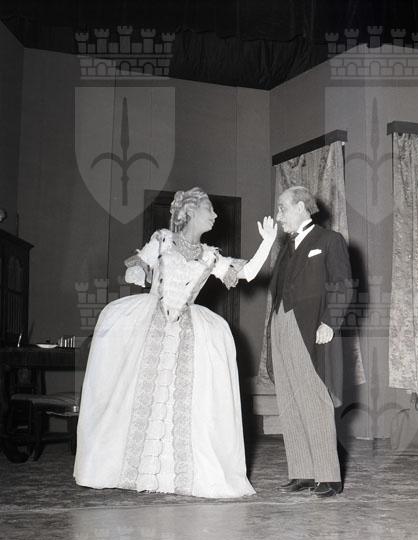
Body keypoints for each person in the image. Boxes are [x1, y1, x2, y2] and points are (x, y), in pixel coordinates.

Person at [74, 187, 277, 498]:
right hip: (150, 323)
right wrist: (136, 269)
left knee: (184, 400)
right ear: (190, 210)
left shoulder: (210, 255)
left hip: (189, 329)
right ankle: (123, 468)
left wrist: (268, 242)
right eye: (209, 208)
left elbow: (246, 272)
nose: (215, 215)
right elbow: (141, 263)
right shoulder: (163, 239)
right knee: (136, 395)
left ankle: (176, 476)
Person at [268, 186, 352, 498]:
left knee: (314, 398)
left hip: (309, 325)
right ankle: (302, 471)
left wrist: (330, 321)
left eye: (282, 208)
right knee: (288, 399)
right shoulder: (286, 245)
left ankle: (328, 476)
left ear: (302, 207)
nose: (278, 215)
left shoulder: (329, 240)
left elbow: (343, 284)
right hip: (280, 323)